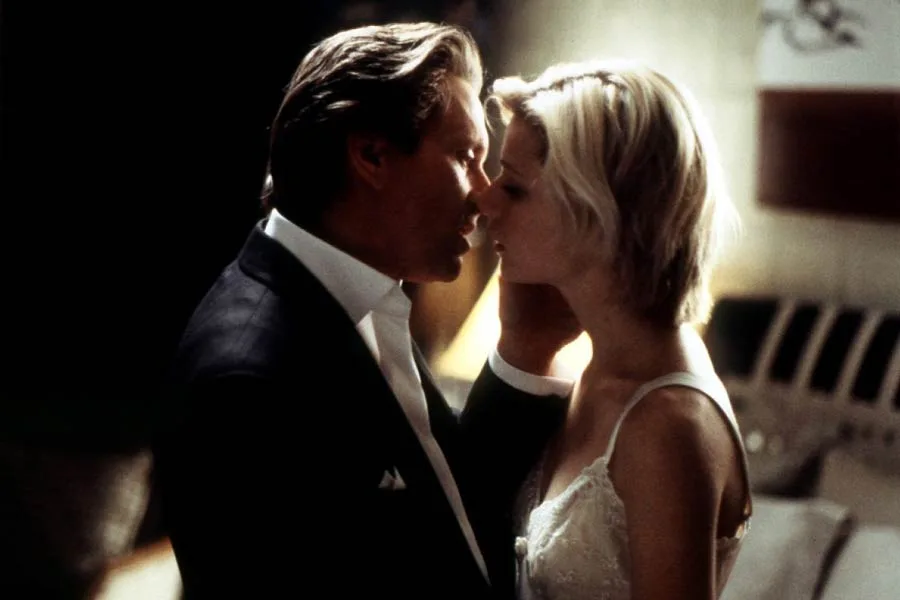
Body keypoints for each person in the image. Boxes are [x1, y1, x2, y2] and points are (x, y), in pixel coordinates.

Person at [153, 22, 576, 600]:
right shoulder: (248, 383)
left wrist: (525, 350)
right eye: (465, 157)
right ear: (372, 155)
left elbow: (446, 514)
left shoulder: (353, 290)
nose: (483, 195)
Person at [474, 60, 752, 599]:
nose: (485, 201)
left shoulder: (668, 426)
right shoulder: (589, 369)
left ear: (599, 209)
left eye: (515, 187)